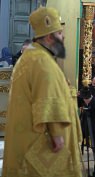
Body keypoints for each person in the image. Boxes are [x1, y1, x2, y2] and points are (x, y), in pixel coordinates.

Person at [2, 7, 83, 177]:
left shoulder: (29, 57)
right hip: (41, 144)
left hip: (26, 139)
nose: (64, 36)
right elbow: (46, 99)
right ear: (49, 37)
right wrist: (57, 134)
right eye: (60, 33)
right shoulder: (41, 61)